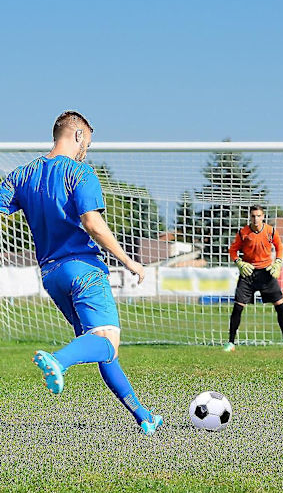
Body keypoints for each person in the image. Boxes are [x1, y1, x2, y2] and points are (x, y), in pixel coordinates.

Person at [0, 111, 163, 435]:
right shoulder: (79, 172)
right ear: (76, 135)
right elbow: (92, 223)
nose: (86, 149)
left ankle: (144, 416)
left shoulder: (21, 175)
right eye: (87, 142)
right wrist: (129, 261)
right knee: (108, 343)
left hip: (51, 275)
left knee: (98, 345)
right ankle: (59, 361)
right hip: (83, 269)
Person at [225, 205, 283, 352]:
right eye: (253, 216)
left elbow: (280, 247)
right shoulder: (243, 233)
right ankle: (231, 343)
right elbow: (232, 250)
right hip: (248, 273)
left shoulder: (271, 231)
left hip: (266, 273)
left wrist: (278, 262)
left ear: (263, 216)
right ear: (249, 217)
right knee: (238, 307)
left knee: (280, 304)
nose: (255, 219)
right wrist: (239, 262)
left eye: (258, 216)